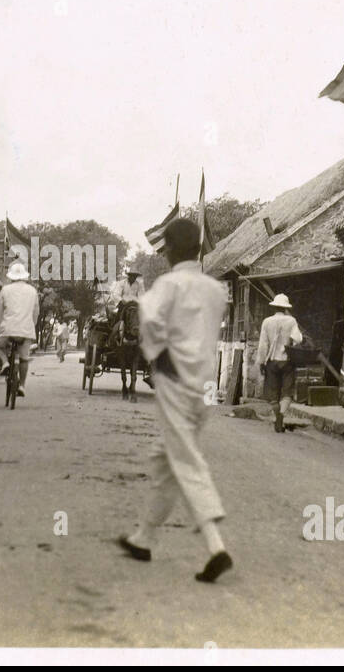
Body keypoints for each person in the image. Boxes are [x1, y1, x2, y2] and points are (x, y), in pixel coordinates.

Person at [117, 218, 233, 583]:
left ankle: (217, 547)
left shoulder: (168, 285)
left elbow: (149, 324)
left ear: (168, 251)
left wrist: (156, 354)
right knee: (165, 458)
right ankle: (144, 538)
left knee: (185, 460)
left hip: (175, 380)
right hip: (205, 384)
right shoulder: (215, 289)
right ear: (198, 249)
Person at [256, 293, 304, 433]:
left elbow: (263, 344)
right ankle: (281, 416)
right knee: (287, 391)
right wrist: (290, 341)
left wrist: (261, 362)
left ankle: (277, 415)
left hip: (272, 361)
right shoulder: (291, 321)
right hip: (287, 361)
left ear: (275, 307)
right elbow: (298, 339)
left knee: (272, 392)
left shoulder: (267, 322)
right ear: (285, 308)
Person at [0, 262, 39, 398]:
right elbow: (36, 312)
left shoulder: (5, 290)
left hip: (7, 328)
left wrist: (0, 328)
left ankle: (5, 363)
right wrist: (32, 326)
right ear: (24, 276)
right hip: (26, 330)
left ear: (11, 277)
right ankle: (22, 386)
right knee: (24, 359)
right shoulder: (32, 291)